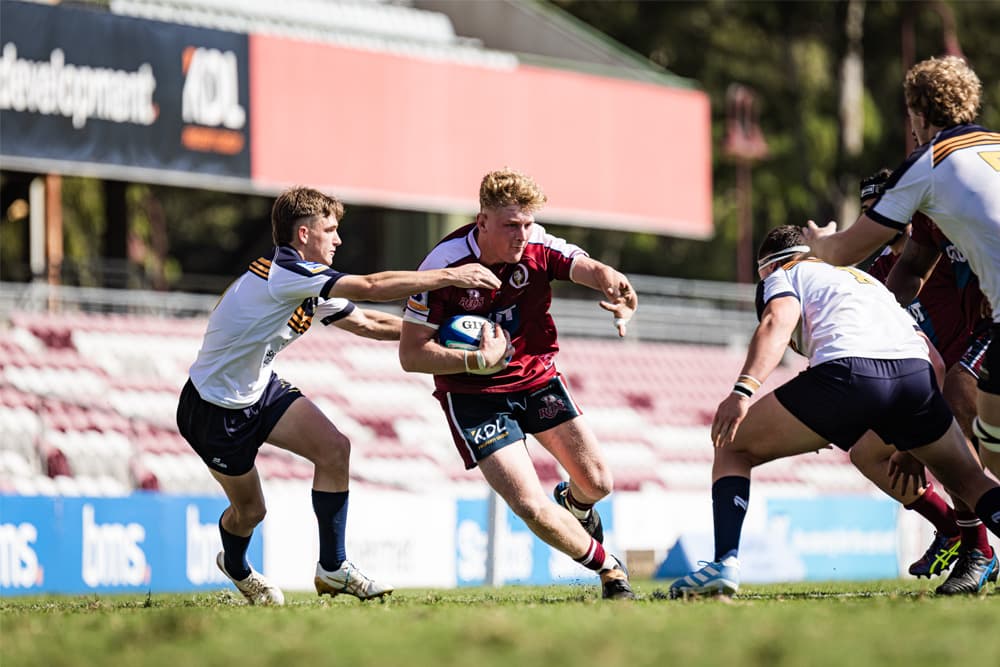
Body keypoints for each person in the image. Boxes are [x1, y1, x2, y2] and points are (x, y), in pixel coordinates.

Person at [176, 186, 501, 605]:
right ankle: (237, 567)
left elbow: (366, 323)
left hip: (259, 389)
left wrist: (441, 336)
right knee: (251, 512)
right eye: (330, 230)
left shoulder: (306, 282)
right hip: (214, 409)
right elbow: (369, 285)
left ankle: (333, 567)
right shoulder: (287, 275)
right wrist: (450, 275)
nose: (338, 239)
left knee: (334, 450)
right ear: (304, 234)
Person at [668, 226, 1000, 598]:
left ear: (767, 267)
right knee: (970, 480)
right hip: (915, 377)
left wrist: (742, 390)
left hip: (848, 374)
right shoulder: (865, 281)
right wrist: (916, 439)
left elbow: (777, 322)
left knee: (733, 446)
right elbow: (935, 362)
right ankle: (955, 530)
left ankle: (723, 564)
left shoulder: (784, 274)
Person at [803, 55, 1000, 591]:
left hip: (976, 348)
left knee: (962, 395)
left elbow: (842, 249)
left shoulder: (929, 163)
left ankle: (974, 546)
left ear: (916, 111)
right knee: (939, 437)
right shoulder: (987, 153)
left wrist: (818, 243)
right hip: (955, 365)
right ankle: (965, 539)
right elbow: (911, 268)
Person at [398, 168, 638, 600]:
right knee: (527, 503)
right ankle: (610, 569)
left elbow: (587, 268)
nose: (522, 235)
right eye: (511, 225)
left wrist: (615, 284)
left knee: (599, 482)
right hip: (474, 398)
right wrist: (474, 360)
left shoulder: (538, 244)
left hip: (535, 377)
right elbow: (411, 354)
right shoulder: (443, 264)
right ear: (482, 221)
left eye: (527, 224)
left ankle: (577, 505)